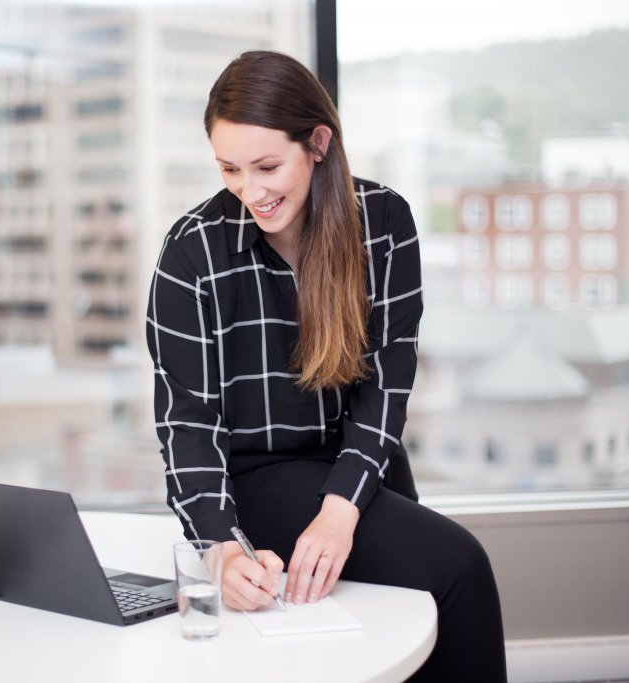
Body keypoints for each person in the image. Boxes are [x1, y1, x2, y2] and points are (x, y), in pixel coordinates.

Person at [146, 50, 507, 682]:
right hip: (261, 475)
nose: (249, 191)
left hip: (361, 465)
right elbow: (188, 424)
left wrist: (341, 511)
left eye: (267, 166)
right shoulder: (190, 252)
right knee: (461, 568)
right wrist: (222, 551)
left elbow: (388, 384)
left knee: (419, 619)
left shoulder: (384, 224)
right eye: (230, 168)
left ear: (318, 143)